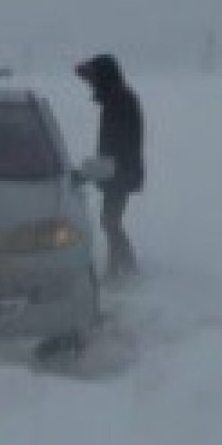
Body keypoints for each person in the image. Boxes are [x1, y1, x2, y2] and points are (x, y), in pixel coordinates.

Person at [75, 53, 145, 281]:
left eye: (94, 79)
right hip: (118, 169)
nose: (90, 84)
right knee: (110, 221)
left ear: (104, 77)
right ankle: (124, 267)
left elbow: (116, 146)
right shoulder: (117, 98)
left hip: (121, 170)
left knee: (110, 220)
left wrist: (91, 171)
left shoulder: (119, 102)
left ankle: (120, 270)